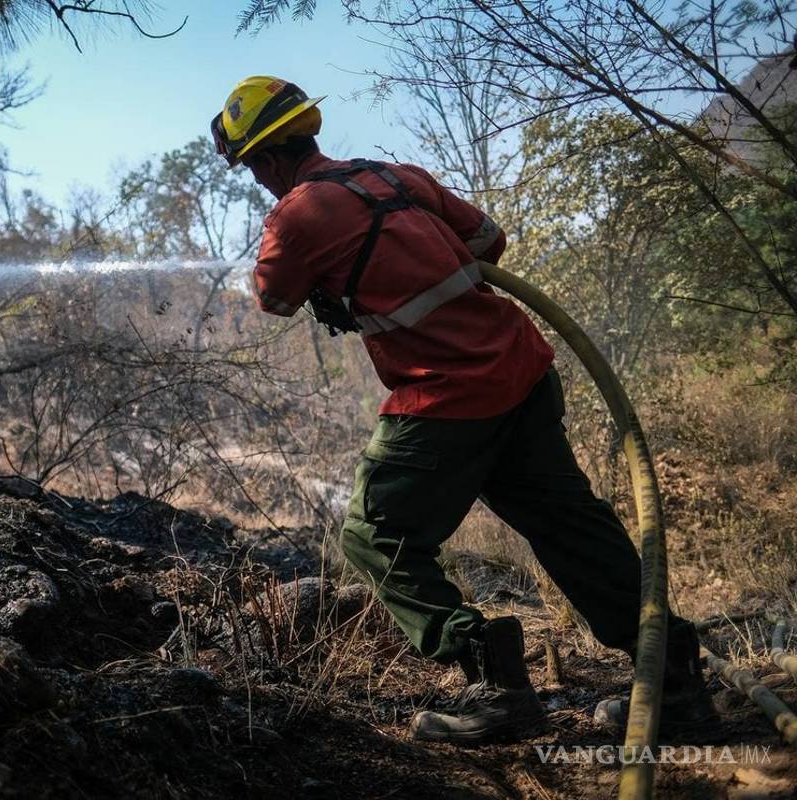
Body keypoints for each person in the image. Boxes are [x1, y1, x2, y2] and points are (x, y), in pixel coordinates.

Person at [210, 75, 715, 743]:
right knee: (567, 523)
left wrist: (343, 287)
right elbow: (489, 241)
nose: (259, 183)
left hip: (448, 394)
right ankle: (676, 679)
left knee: (374, 531)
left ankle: (491, 676)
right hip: (521, 372)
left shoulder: (295, 213)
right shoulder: (396, 176)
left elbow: (273, 297)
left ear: (270, 158)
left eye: (253, 170)